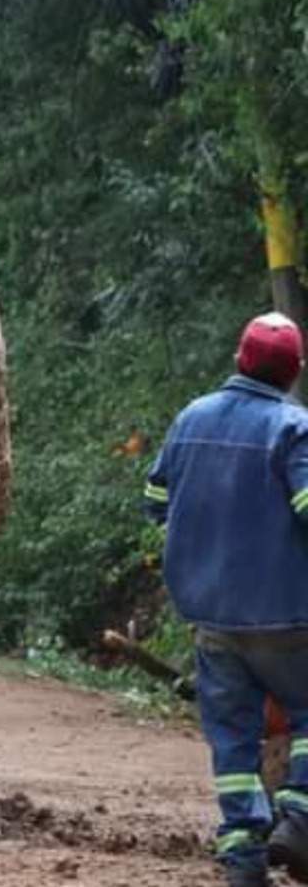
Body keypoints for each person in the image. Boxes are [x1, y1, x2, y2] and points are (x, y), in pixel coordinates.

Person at [144, 312, 308, 887]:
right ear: (293, 372)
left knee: (233, 737)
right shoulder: (293, 427)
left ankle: (242, 855)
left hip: (210, 612)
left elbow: (156, 497)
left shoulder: (190, 419)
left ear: (240, 359)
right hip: (287, 611)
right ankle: (299, 818)